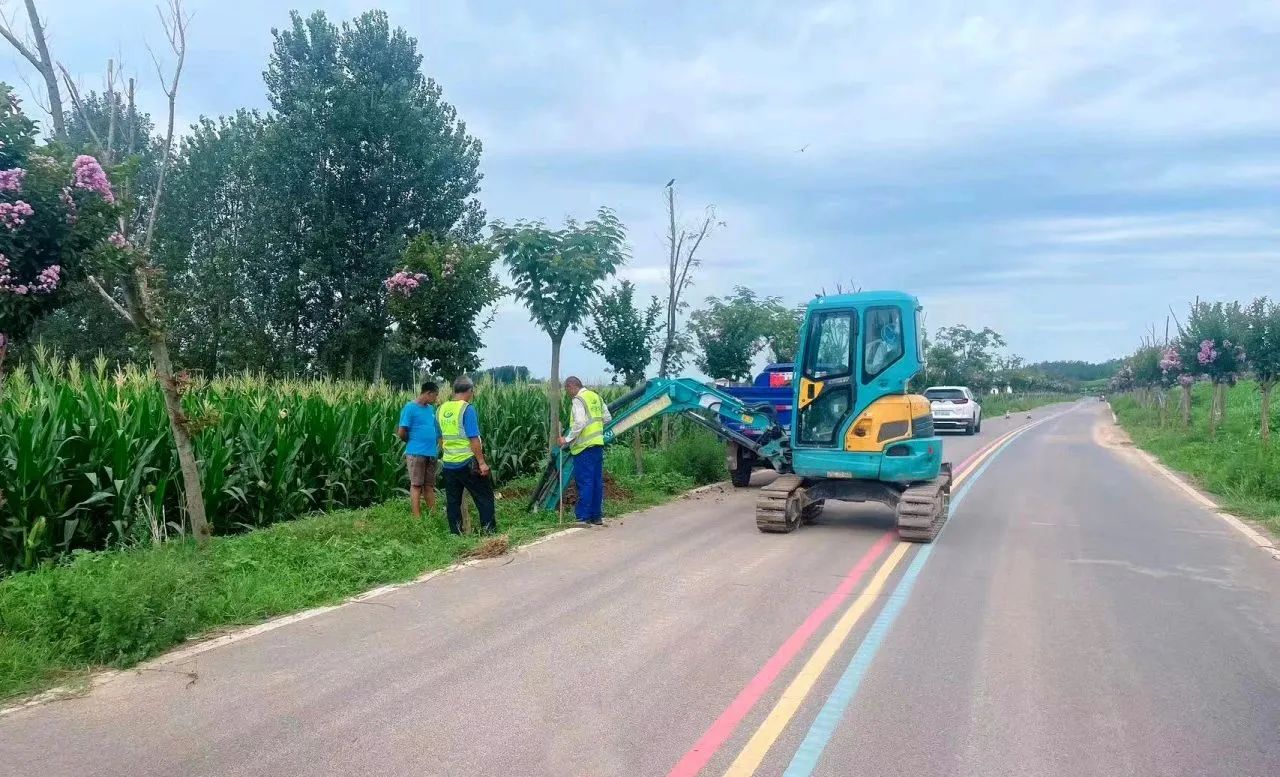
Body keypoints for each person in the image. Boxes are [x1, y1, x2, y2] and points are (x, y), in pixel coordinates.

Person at [437, 378, 497, 535]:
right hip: (467, 463)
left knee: (453, 502)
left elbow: (440, 438)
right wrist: (482, 463)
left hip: (449, 464)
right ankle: (489, 532)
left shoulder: (440, 409)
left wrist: (448, 453)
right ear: (469, 391)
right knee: (484, 497)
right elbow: (473, 438)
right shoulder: (467, 409)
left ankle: (456, 534)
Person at [558, 376, 612, 526]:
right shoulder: (596, 397)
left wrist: (567, 439)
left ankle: (583, 516)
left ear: (571, 386)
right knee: (596, 481)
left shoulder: (579, 400)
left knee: (585, 481)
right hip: (597, 444)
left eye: (566, 389)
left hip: (584, 447)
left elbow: (580, 422)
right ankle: (596, 516)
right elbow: (607, 418)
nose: (567, 393)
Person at [398, 382, 440, 518]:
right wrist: (412, 442)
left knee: (429, 486)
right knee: (416, 485)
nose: (436, 399)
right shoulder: (410, 408)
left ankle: (433, 515)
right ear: (428, 393)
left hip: (431, 453)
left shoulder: (430, 410)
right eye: (435, 395)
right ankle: (416, 517)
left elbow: (435, 429)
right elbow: (402, 432)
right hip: (416, 453)